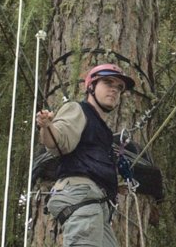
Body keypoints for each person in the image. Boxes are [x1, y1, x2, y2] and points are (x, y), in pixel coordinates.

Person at [36, 63, 135, 246]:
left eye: (119, 88)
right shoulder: (77, 109)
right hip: (82, 197)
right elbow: (59, 143)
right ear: (91, 86)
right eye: (108, 83)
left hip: (95, 203)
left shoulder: (102, 130)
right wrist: (47, 126)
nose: (114, 90)